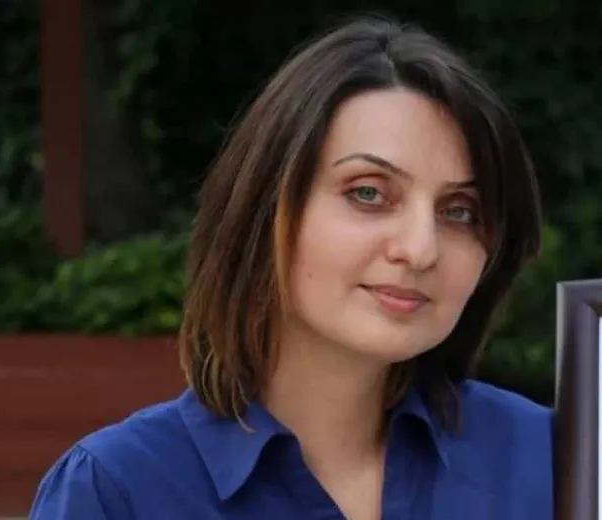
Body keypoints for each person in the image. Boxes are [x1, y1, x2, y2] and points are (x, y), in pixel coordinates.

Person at [29, 15, 553, 520]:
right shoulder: (120, 492)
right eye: (368, 193)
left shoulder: (550, 459)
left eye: (459, 211)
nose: (420, 249)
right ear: (265, 208)